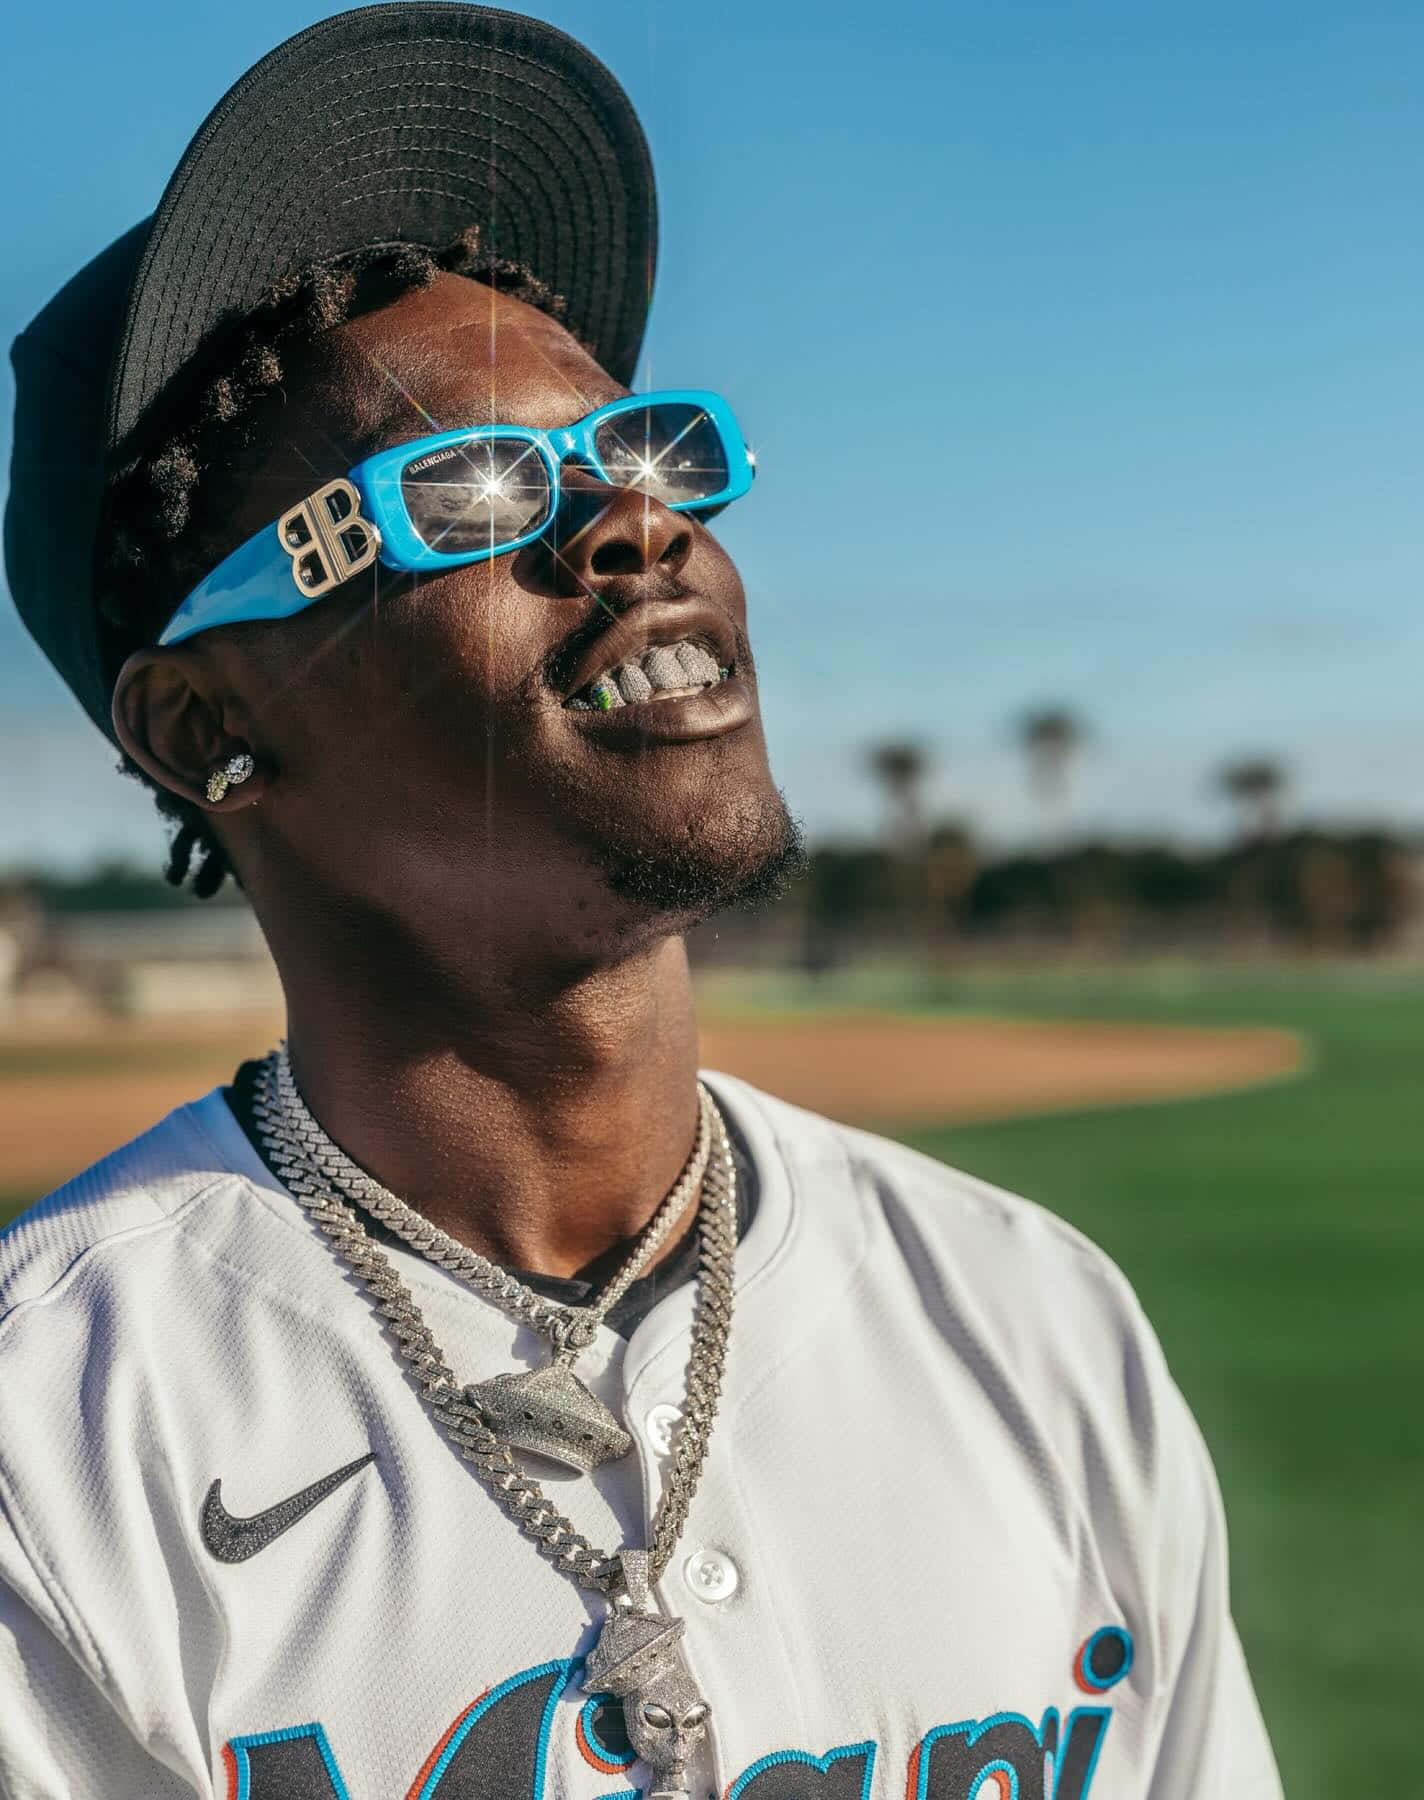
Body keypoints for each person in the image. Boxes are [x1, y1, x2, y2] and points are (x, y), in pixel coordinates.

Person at [0, 7, 1283, 1797]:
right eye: (467, 486)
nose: (635, 523)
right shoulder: (55, 1435)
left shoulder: (1031, 1314)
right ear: (206, 727)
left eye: (652, 450)